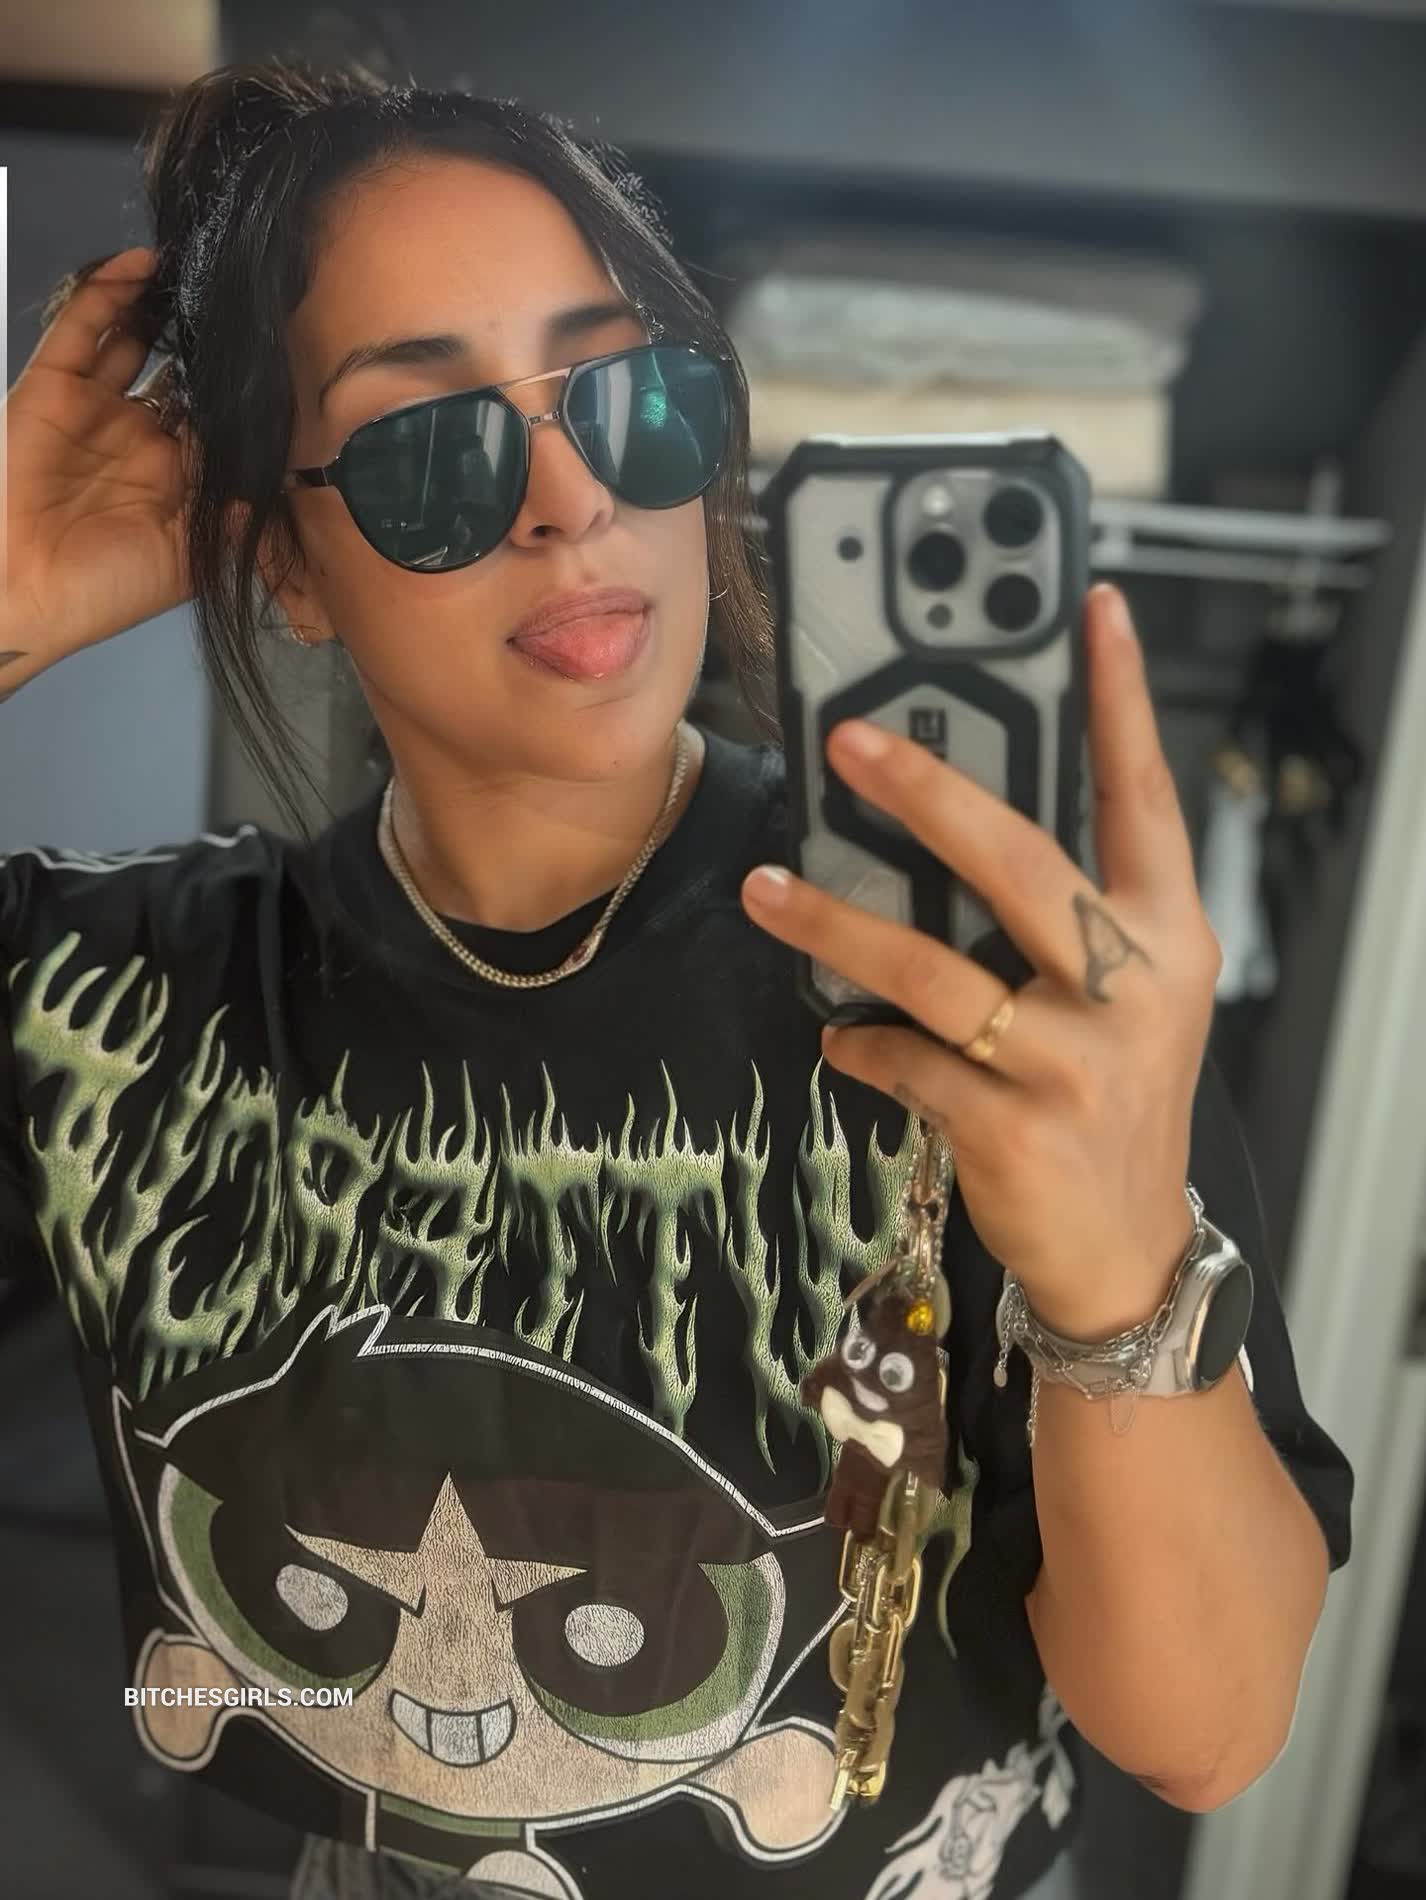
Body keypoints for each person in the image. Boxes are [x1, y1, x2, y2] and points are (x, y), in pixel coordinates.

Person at [0, 53, 1353, 1900]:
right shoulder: (122, 1012)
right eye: (429, 447)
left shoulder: (975, 969)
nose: (570, 501)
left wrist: (1116, 1274)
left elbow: (1204, 1730)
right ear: (285, 565)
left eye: (625, 398)